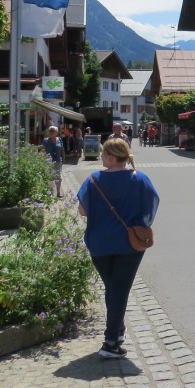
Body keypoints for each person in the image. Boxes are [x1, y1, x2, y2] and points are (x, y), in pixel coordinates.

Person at [77, 138, 159, 358]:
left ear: (111, 157)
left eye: (103, 154)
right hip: (129, 244)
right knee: (119, 289)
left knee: (113, 287)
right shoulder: (139, 178)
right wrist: (140, 223)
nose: (101, 157)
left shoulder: (93, 180)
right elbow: (152, 206)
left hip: (99, 243)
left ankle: (117, 333)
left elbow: (82, 211)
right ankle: (111, 342)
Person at [42, 125, 64, 198]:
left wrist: (63, 158)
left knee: (58, 177)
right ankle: (50, 193)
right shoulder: (46, 140)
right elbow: (43, 151)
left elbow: (62, 150)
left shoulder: (60, 139)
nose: (51, 132)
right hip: (49, 161)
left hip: (58, 160)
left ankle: (58, 193)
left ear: (56, 132)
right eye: (50, 131)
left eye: (52, 131)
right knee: (50, 177)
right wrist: (43, 159)